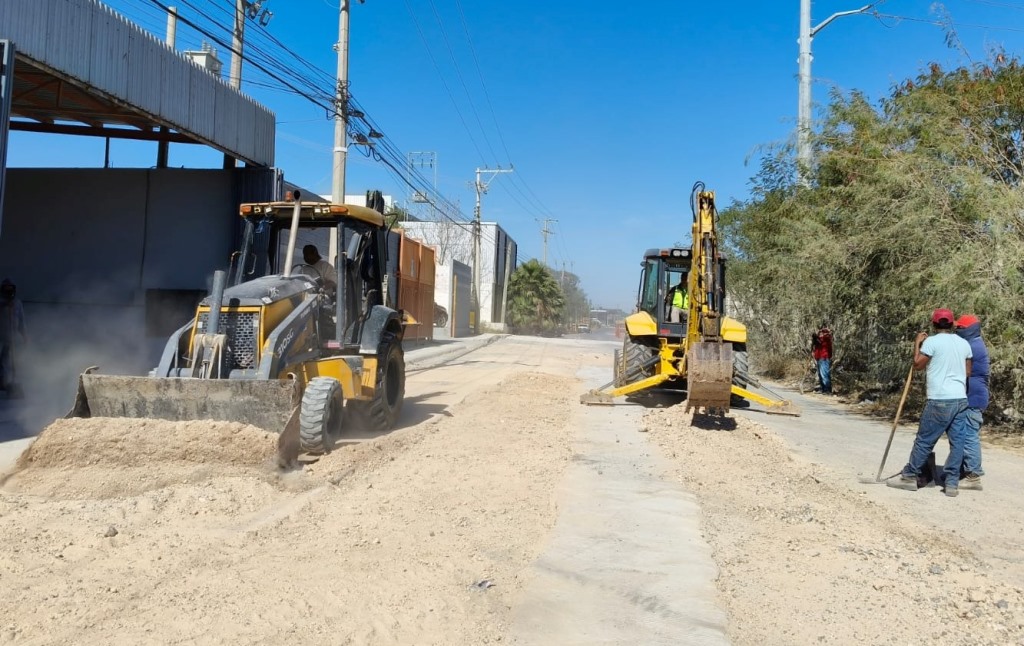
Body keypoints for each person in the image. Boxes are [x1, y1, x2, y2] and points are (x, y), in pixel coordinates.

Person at [888, 308, 972, 497]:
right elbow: (967, 372)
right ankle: (951, 483)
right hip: (960, 399)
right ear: (952, 324)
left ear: (934, 324)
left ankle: (909, 475)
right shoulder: (964, 343)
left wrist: (917, 343)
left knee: (924, 440)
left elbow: (917, 365)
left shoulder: (931, 342)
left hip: (939, 400)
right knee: (957, 442)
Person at [954, 313, 990, 491]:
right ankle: (962, 471)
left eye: (960, 328)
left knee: (969, 436)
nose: (957, 330)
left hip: (973, 398)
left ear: (968, 329)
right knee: (962, 434)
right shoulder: (971, 343)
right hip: (970, 396)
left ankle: (973, 476)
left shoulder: (973, 346)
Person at [0, 278, 27, 393]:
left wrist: (24, 335)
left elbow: (21, 321)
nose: (9, 292)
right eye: (6, 290)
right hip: (1, 337)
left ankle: (11, 383)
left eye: (10, 289)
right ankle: (3, 382)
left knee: (12, 361)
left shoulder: (17, 303)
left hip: (13, 338)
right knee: (3, 361)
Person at [811, 325, 834, 394]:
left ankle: (827, 389)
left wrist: (817, 337)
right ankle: (823, 389)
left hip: (824, 357)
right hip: (819, 357)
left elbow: (821, 341)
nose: (820, 333)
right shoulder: (820, 338)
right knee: (820, 374)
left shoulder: (826, 337)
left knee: (824, 373)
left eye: (822, 332)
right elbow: (817, 344)